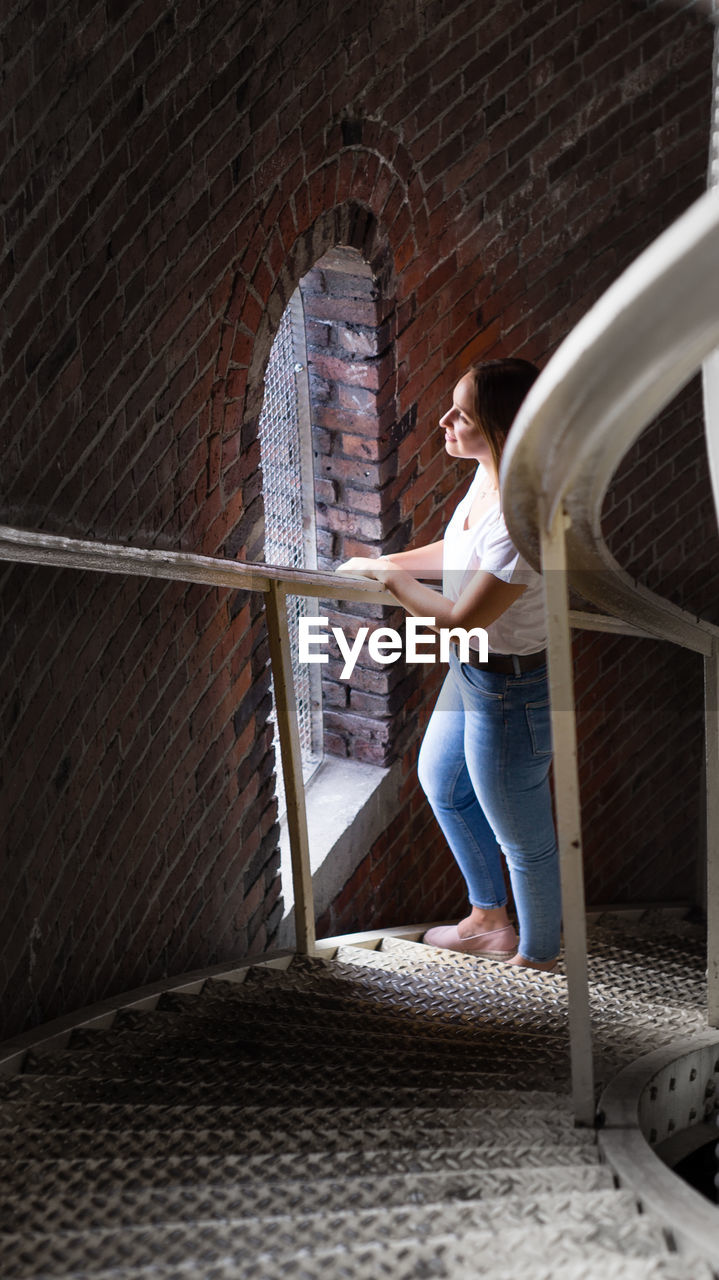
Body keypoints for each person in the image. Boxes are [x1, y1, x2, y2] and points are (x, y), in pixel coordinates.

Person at [336, 358, 561, 972]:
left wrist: (388, 579)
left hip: (511, 690)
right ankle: (489, 922)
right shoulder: (491, 476)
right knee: (444, 785)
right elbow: (458, 551)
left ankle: (539, 961)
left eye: (461, 414)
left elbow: (463, 617)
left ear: (502, 428)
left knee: (523, 837)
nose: (444, 421)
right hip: (473, 675)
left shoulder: (524, 513)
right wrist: (388, 563)